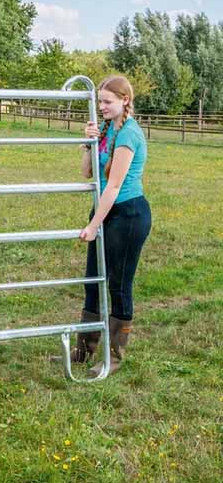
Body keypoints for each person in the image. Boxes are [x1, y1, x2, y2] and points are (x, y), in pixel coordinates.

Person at [71, 75, 151, 375]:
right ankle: (84, 349)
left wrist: (93, 224)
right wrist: (87, 143)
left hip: (128, 214)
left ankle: (115, 356)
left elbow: (115, 185)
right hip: (104, 210)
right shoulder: (105, 129)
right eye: (99, 101)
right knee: (92, 279)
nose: (101, 106)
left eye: (107, 101)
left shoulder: (129, 134)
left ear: (125, 100)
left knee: (118, 284)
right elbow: (86, 173)